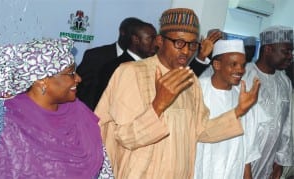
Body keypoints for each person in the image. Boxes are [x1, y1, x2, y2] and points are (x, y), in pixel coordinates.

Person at [95, 8, 260, 178]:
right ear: (160, 40)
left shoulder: (190, 81)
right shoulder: (132, 73)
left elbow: (200, 130)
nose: (186, 51)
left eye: (192, 44)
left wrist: (238, 111)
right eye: (179, 43)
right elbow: (125, 137)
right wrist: (158, 105)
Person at [0, 38, 113, 178]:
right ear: (42, 80)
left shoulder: (78, 112)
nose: (78, 78)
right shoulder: (8, 119)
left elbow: (103, 169)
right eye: (70, 73)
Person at [194, 39, 260, 179]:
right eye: (233, 64)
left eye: (243, 65)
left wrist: (247, 175)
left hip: (232, 169)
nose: (240, 70)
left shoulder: (244, 97)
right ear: (217, 64)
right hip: (200, 169)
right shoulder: (197, 91)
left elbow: (247, 144)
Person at [242, 25, 293, 178]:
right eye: (286, 51)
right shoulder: (244, 77)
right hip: (245, 160)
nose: (290, 56)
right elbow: (239, 127)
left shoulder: (284, 81)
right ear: (268, 49)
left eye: (291, 51)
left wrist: (280, 162)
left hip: (270, 160)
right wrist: (245, 166)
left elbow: (287, 125)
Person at [76, 17, 143, 109]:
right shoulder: (95, 55)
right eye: (133, 35)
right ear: (122, 32)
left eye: (138, 37)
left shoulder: (143, 61)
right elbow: (80, 88)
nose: (135, 39)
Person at [93, 21, 157, 109]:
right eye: (150, 39)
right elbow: (104, 103)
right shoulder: (114, 67)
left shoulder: (153, 67)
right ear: (135, 39)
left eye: (156, 39)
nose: (155, 44)